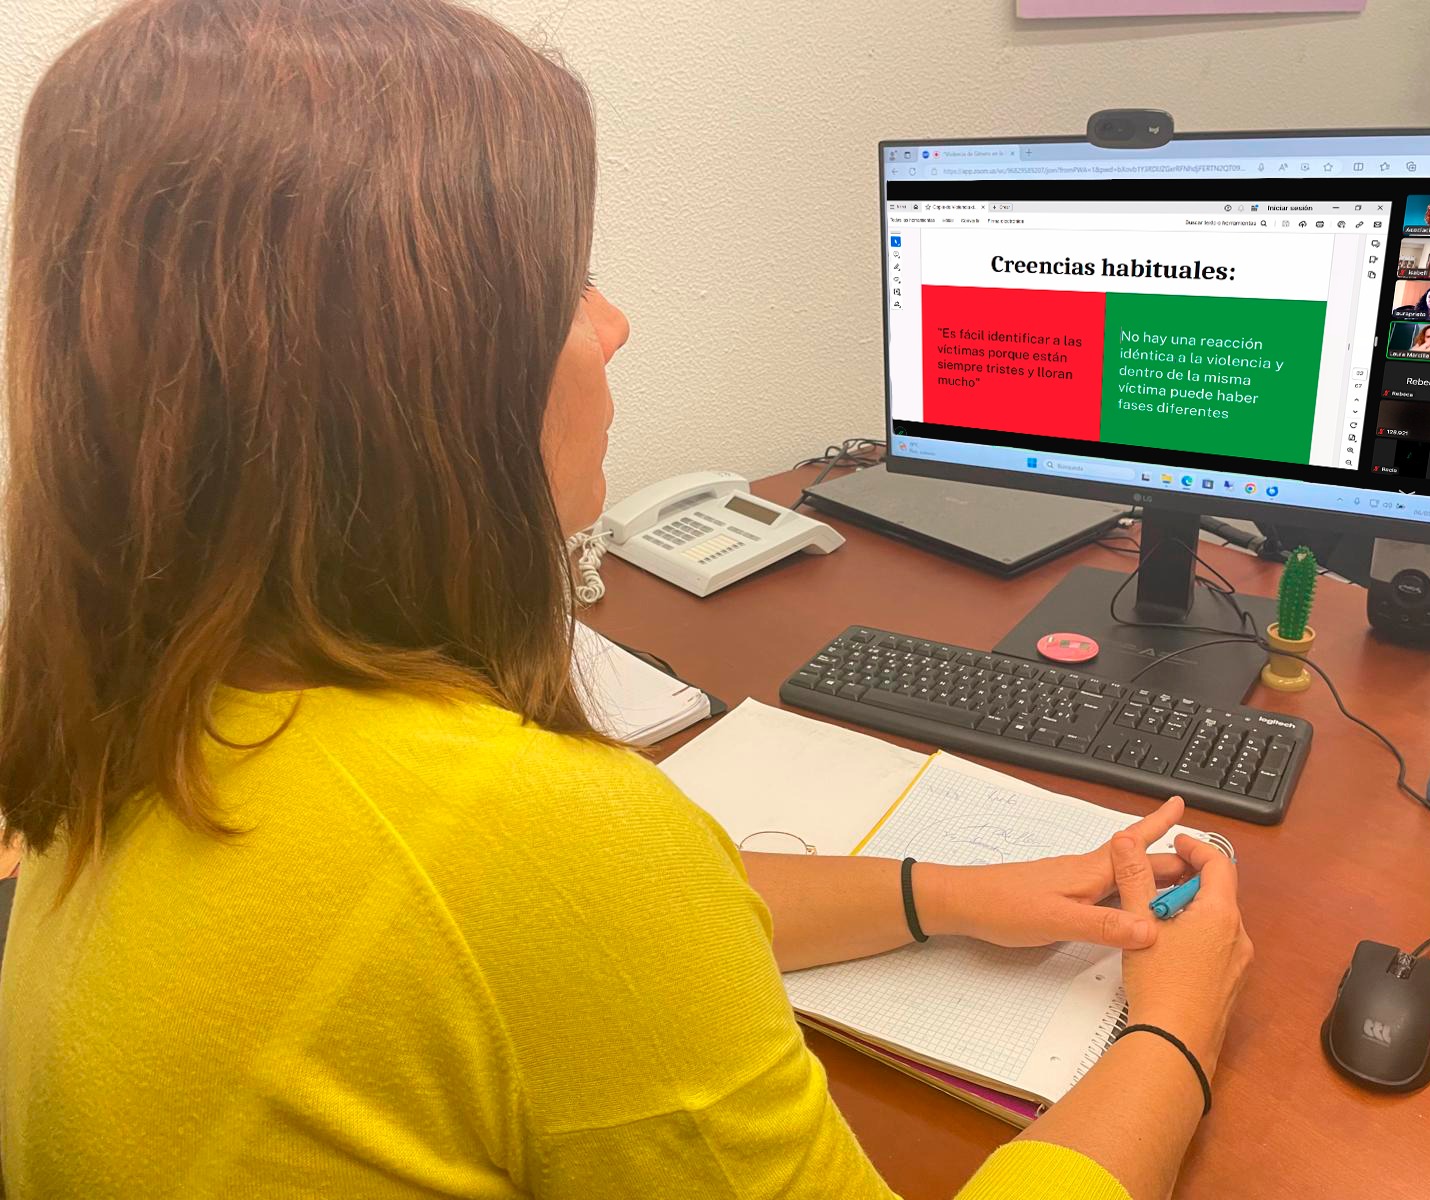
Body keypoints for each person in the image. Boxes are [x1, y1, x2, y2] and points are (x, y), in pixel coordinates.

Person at [0, 2, 1252, 1198]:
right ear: (417, 389)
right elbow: (570, 894)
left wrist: (953, 896)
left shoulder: (124, 702)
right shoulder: (535, 843)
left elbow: (629, 904)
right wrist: (1177, 1028)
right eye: (567, 287)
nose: (613, 324)